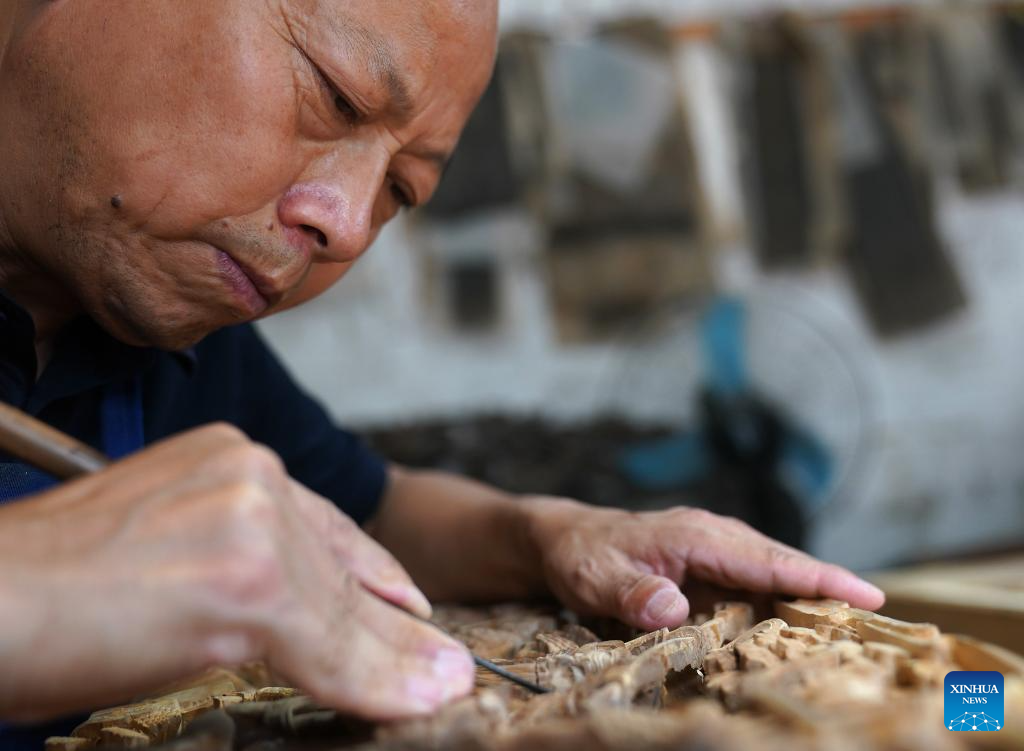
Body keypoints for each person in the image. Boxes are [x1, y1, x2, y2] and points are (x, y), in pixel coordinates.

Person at [0, 0, 885, 741]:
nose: (346, 225)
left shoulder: (167, 333)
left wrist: (551, 534)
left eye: (402, 190)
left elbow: (371, 508)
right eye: (336, 96)